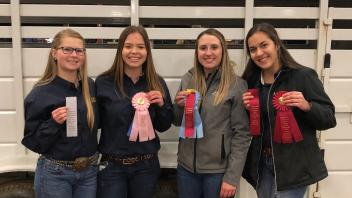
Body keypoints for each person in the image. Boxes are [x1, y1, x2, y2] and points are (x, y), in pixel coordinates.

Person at [241, 23, 337, 198]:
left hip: (294, 168)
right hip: (262, 165)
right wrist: (246, 110)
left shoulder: (303, 75)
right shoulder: (250, 81)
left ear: (276, 44)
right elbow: (251, 126)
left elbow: (329, 118)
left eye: (264, 45)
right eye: (253, 49)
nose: (259, 53)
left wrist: (307, 106)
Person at [95, 25, 173, 198]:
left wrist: (162, 106)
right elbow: (94, 123)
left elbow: (164, 126)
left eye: (140, 46)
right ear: (120, 49)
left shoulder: (157, 82)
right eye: (128, 46)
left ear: (147, 51)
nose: (134, 51)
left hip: (146, 167)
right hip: (112, 167)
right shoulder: (103, 82)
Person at [173, 28, 251, 198]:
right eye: (203, 48)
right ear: (197, 52)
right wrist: (178, 107)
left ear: (223, 50)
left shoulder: (237, 85)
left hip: (218, 173)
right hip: (186, 169)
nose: (208, 53)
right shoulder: (188, 78)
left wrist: (232, 177)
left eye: (214, 47)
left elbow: (242, 134)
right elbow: (178, 122)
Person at [21, 29, 99, 198]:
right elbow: (33, 143)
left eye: (79, 50)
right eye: (67, 49)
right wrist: (53, 123)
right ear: (54, 53)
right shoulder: (40, 94)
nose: (74, 55)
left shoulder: (90, 86)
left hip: (89, 172)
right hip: (56, 174)